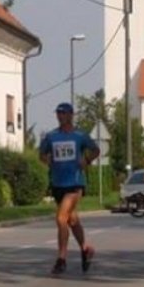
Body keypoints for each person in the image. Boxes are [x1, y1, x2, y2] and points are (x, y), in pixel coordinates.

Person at [39, 102, 100, 276]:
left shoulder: (80, 136)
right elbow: (41, 154)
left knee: (61, 219)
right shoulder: (51, 136)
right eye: (58, 113)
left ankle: (61, 259)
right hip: (58, 183)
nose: (60, 116)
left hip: (75, 184)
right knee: (72, 220)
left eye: (63, 113)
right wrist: (46, 160)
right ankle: (85, 249)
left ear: (71, 115)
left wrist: (86, 161)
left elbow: (96, 150)